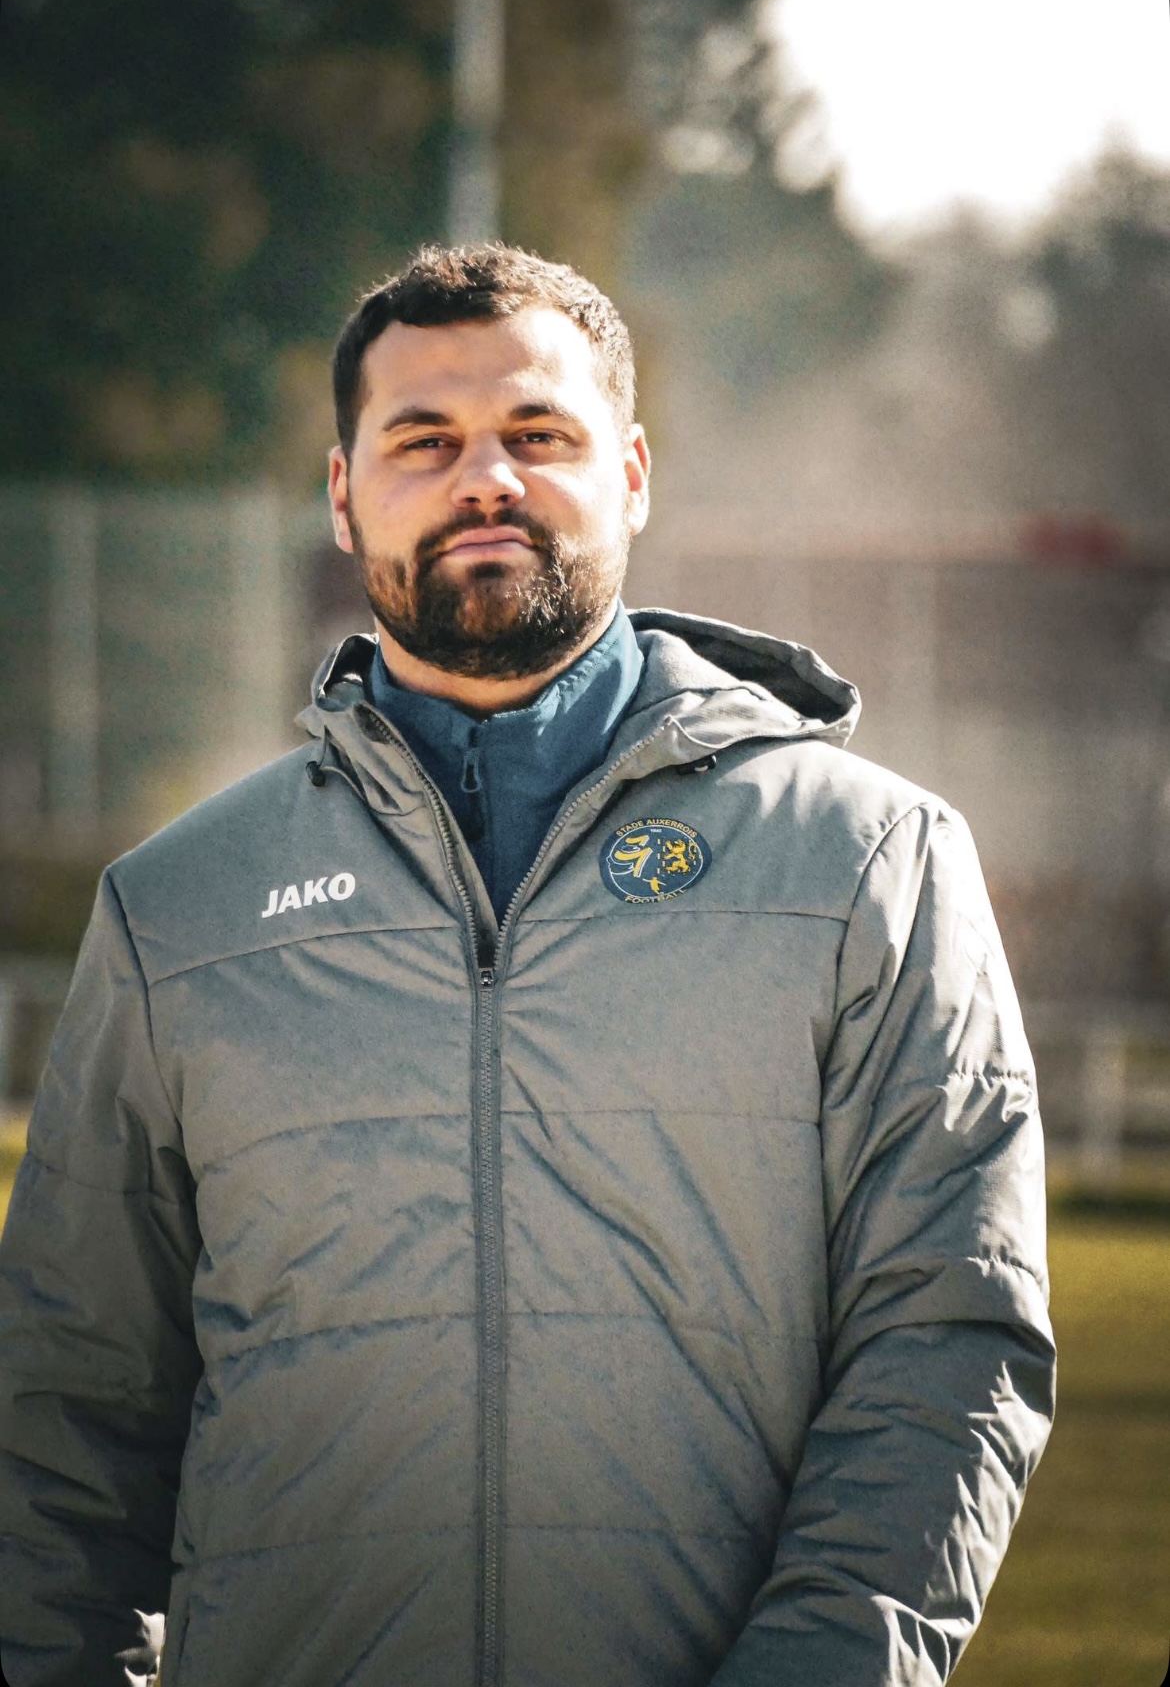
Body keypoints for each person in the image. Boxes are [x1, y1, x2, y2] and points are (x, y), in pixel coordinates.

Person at [0, 244, 1055, 1687]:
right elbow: (63, 1414)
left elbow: (947, 1338)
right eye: (423, 441)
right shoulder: (178, 908)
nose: (484, 479)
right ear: (342, 494)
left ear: (631, 474)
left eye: (537, 434)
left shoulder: (870, 862)